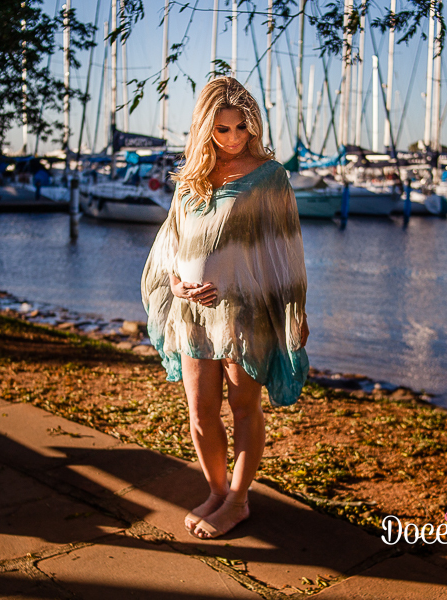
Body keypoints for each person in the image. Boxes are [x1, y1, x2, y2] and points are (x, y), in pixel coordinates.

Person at [141, 77, 310, 540]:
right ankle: (218, 491)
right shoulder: (190, 178)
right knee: (199, 411)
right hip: (194, 315)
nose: (233, 138)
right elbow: (171, 246)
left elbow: (285, 248)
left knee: (243, 407)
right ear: (205, 129)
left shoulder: (269, 176)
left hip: (246, 313)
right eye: (222, 129)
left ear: (252, 125)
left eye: (240, 127)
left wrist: (295, 311)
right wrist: (177, 286)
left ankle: (238, 500)